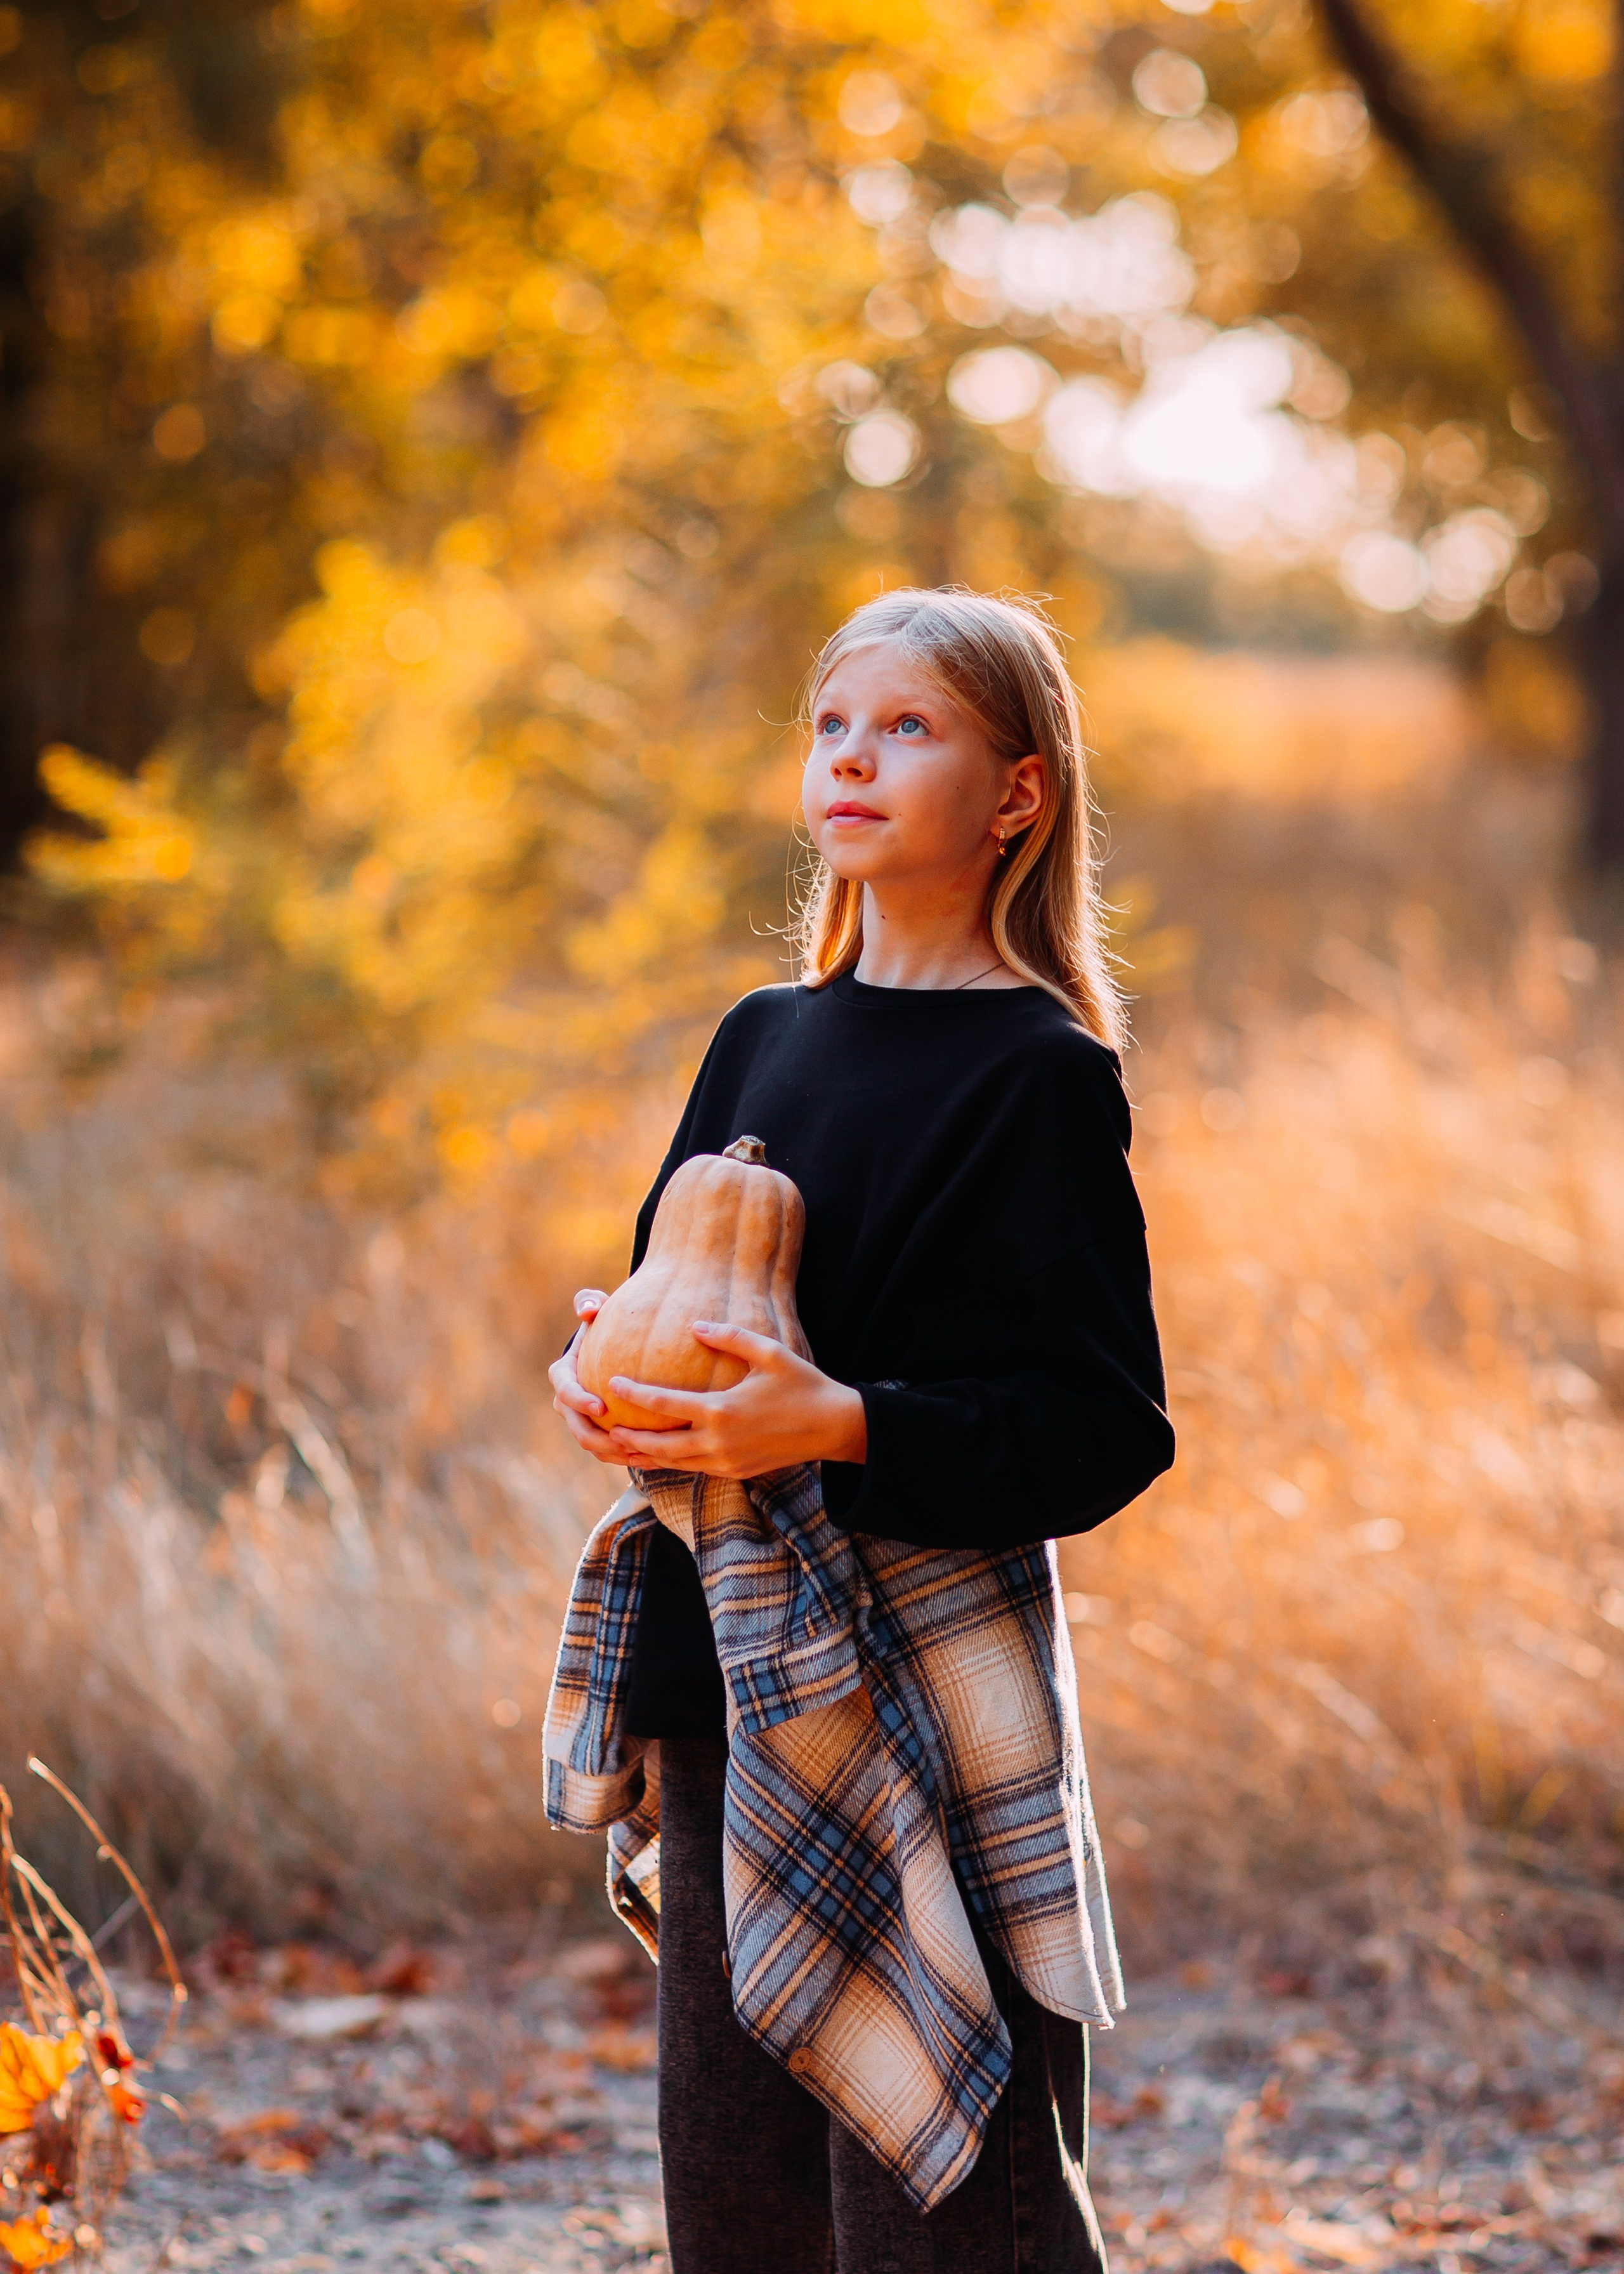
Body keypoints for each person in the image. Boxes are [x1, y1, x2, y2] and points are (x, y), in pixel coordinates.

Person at [548, 586, 1174, 2274]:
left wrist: (834, 1421)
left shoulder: (1036, 1073)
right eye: (834, 725)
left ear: (1018, 793)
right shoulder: (763, 1036)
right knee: (738, 2198)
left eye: (909, 728)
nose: (853, 758)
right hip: (732, 1667)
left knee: (947, 2210)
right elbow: (674, 1293)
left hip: (924, 1702)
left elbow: (1101, 1428)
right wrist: (599, 1369)